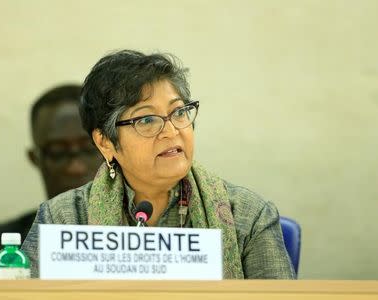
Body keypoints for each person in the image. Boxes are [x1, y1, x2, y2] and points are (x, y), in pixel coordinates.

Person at [22, 50, 296, 279]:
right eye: (146, 120)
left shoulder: (247, 217)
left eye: (179, 112)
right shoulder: (64, 219)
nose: (171, 131)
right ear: (105, 142)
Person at [0, 84, 101, 277]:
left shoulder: (145, 241)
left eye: (89, 148)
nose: (75, 167)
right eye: (58, 152)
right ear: (35, 159)